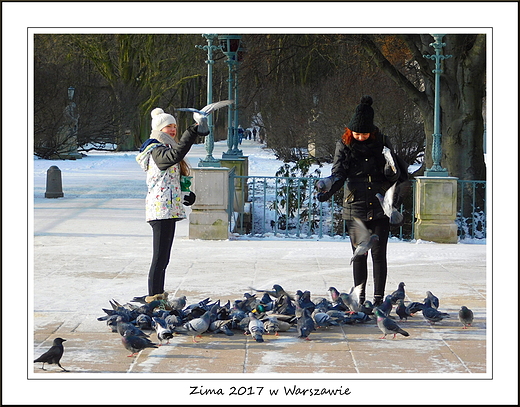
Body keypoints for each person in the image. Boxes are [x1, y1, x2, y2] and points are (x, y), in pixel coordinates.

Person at [316, 95, 405, 306]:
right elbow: (338, 174)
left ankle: (378, 300)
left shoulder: (382, 142)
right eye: (357, 133)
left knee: (378, 254)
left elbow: (396, 173)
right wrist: (327, 192)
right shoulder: (344, 144)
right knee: (359, 254)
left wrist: (388, 170)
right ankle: (359, 297)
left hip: (381, 204)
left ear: (371, 131)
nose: (361, 137)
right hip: (355, 206)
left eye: (365, 134)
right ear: (350, 131)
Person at [136, 107, 209, 297]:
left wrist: (186, 194)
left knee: (164, 259)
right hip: (159, 210)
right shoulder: (155, 150)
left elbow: (169, 179)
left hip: (169, 209)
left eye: (175, 126)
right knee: (159, 259)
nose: (173, 130)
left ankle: (158, 295)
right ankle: (153, 298)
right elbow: (174, 156)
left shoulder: (166, 149)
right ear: (159, 129)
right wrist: (192, 130)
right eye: (169, 126)